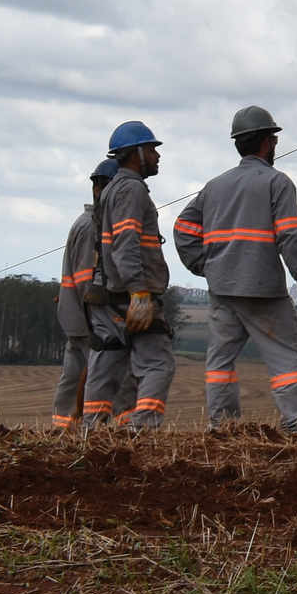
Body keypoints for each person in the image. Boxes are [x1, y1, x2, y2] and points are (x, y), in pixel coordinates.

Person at [173, 105, 297, 434]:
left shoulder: (215, 186)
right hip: (263, 291)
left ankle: (223, 427)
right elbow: (291, 236)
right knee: (285, 359)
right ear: (267, 142)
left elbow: (182, 229)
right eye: (274, 139)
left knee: (219, 363)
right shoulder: (277, 182)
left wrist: (206, 266)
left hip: (223, 289)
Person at [96, 122, 177, 430]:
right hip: (135, 294)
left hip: (118, 294)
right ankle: (142, 428)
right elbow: (126, 244)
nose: (157, 156)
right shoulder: (130, 189)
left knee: (120, 367)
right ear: (136, 153)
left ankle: (111, 427)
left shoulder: (115, 188)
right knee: (159, 364)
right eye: (152, 149)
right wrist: (139, 292)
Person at [52, 159, 117, 429]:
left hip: (76, 317)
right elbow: (85, 281)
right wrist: (99, 321)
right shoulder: (92, 226)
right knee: (96, 377)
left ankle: (63, 429)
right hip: (87, 319)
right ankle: (88, 428)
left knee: (73, 377)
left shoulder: (89, 222)